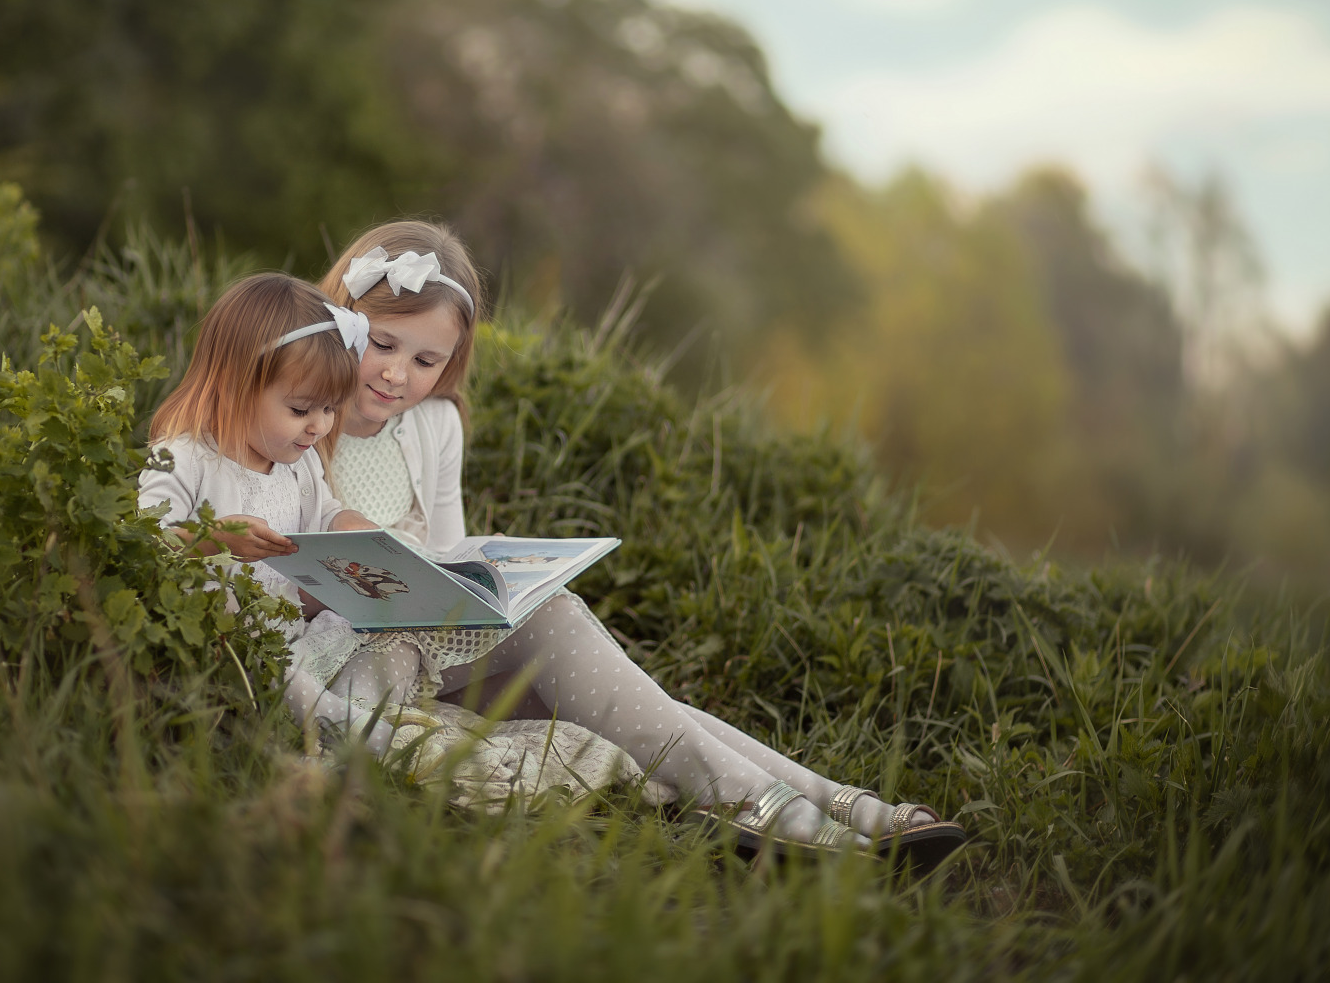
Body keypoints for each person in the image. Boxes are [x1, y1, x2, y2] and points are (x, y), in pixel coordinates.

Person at [316, 220, 967, 865]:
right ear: (343, 321)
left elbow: (449, 552)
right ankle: (759, 802)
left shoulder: (432, 426)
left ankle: (833, 801)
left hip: (430, 648)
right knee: (618, 709)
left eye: (425, 361)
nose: (397, 374)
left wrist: (479, 579)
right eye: (382, 345)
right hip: (351, 661)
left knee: (610, 676)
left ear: (449, 363)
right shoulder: (297, 419)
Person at [136, 272, 396, 752]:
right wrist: (214, 538)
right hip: (228, 645)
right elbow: (146, 542)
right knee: (226, 601)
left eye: (330, 409)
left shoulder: (298, 464)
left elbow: (323, 515)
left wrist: (347, 525)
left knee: (374, 616)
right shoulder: (184, 457)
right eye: (300, 409)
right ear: (235, 388)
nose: (319, 426)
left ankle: (358, 707)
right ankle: (330, 720)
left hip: (294, 633)